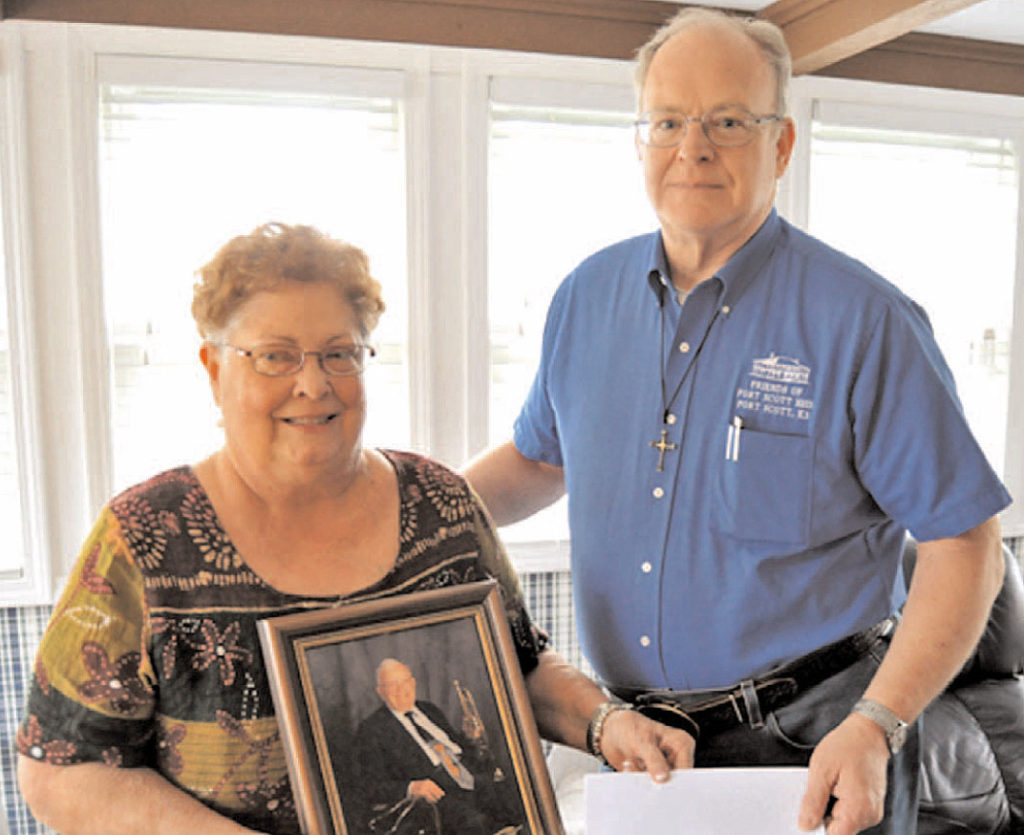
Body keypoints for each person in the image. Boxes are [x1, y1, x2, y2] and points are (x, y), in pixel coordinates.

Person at [463, 9, 1011, 835]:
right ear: (640, 139)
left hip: (818, 739)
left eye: (728, 120)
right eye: (669, 121)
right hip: (641, 748)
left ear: (781, 144)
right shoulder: (584, 297)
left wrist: (879, 722)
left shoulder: (866, 320)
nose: (694, 146)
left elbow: (966, 545)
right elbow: (540, 461)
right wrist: (405, 513)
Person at [16, 222, 693, 835]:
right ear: (214, 366)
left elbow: (519, 664)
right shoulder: (145, 538)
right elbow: (57, 769)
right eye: (275, 355)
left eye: (339, 353)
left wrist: (606, 722)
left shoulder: (442, 505)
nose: (313, 383)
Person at [353, 659, 518, 834]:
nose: (402, 689)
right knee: (475, 822)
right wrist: (412, 787)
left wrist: (468, 738)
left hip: (470, 777)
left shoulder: (429, 709)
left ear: (413, 683)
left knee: (517, 796)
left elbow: (456, 750)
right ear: (381, 692)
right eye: (392, 684)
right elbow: (370, 786)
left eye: (405, 681)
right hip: (437, 792)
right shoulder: (372, 729)